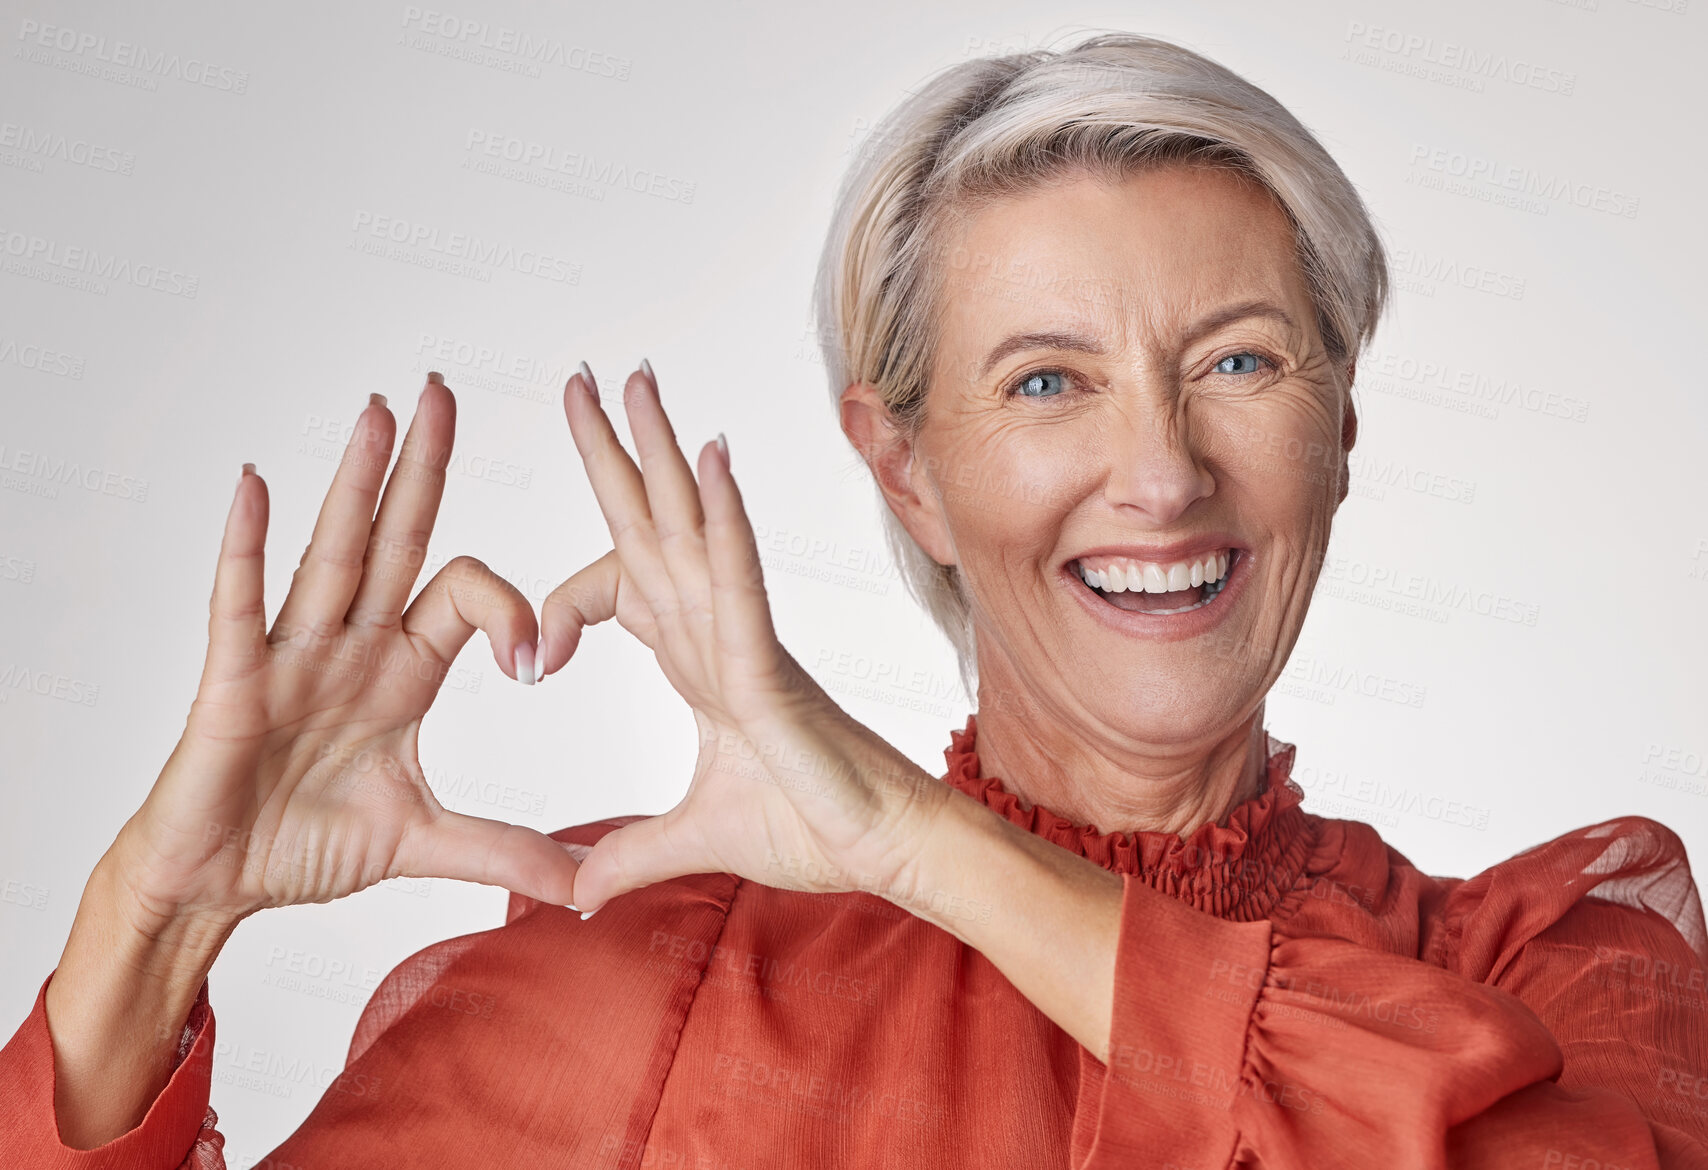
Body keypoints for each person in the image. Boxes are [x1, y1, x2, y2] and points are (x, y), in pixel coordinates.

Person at [5, 31, 1705, 1170]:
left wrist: (919, 843)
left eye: (1242, 360)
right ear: (906, 471)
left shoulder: (1554, 971)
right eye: (1046, 383)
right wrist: (146, 928)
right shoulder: (647, 982)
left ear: (1340, 423)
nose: (1163, 470)